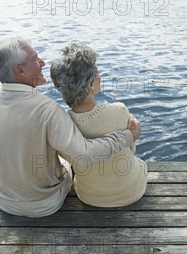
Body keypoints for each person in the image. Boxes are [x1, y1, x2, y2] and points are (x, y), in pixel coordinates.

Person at [0, 36, 141, 217]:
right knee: (69, 161)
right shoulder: (48, 109)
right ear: (19, 71)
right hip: (41, 204)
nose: (43, 63)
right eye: (35, 59)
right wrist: (128, 135)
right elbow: (85, 156)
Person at [50, 44, 147, 207]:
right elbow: (131, 148)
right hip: (132, 191)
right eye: (96, 72)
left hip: (89, 196)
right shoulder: (119, 111)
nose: (99, 75)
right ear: (90, 85)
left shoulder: (61, 123)